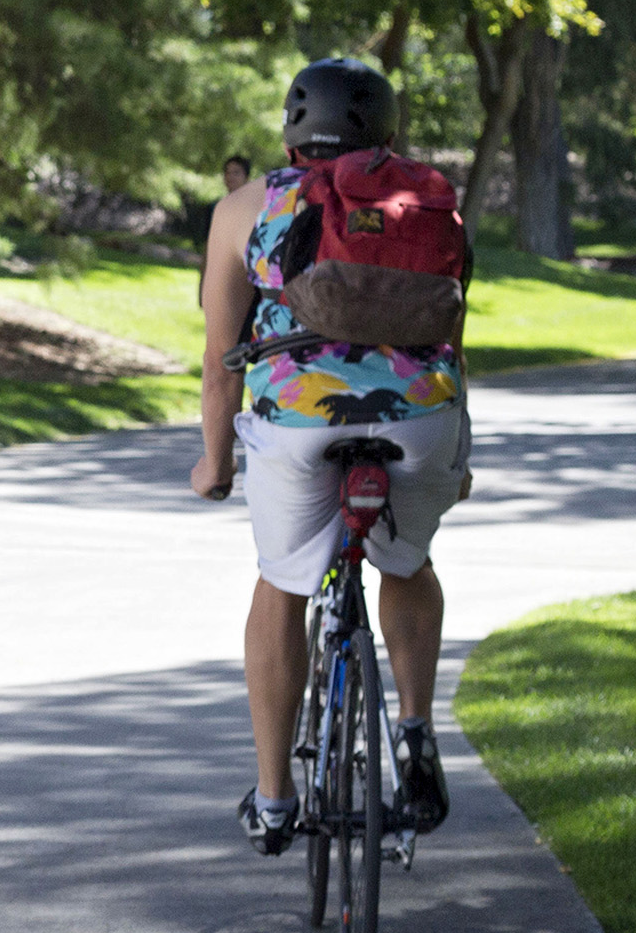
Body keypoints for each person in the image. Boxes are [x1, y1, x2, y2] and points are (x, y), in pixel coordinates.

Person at [188, 59, 465, 855]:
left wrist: (216, 464)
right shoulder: (430, 201)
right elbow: (453, 338)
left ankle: (276, 799)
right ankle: (413, 731)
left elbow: (220, 357)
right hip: (421, 416)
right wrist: (458, 454)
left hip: (298, 420)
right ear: (388, 129)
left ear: (292, 127)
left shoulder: (245, 208)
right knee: (407, 564)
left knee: (281, 584)